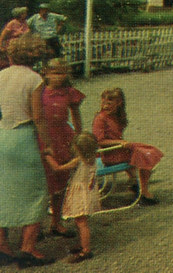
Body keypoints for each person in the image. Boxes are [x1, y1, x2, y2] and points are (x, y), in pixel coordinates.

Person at [0, 34, 54, 268]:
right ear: (36, 55)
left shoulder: (1, 75)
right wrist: (48, 143)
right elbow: (38, 116)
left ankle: (2, 247)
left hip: (2, 135)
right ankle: (28, 248)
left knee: (3, 190)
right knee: (35, 192)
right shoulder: (34, 79)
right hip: (23, 138)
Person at [92, 87, 163, 205]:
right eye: (103, 103)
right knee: (144, 155)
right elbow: (99, 141)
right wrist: (119, 143)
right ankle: (143, 192)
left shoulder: (116, 117)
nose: (105, 106)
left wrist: (121, 143)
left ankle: (135, 182)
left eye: (109, 103)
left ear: (119, 103)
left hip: (117, 151)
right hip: (110, 154)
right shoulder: (100, 118)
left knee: (148, 151)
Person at [39, 59, 85, 238]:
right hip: (44, 138)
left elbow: (76, 116)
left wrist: (79, 137)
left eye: (63, 73)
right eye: (55, 73)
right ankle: (35, 226)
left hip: (63, 137)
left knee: (60, 182)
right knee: (42, 182)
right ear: (46, 73)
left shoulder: (69, 93)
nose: (59, 77)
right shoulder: (39, 91)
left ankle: (56, 222)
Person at [43, 132, 101, 263]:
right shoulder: (93, 160)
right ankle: (83, 244)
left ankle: (86, 250)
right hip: (88, 193)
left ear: (77, 148)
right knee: (80, 221)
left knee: (81, 223)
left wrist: (47, 156)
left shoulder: (78, 161)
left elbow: (57, 168)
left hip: (80, 195)